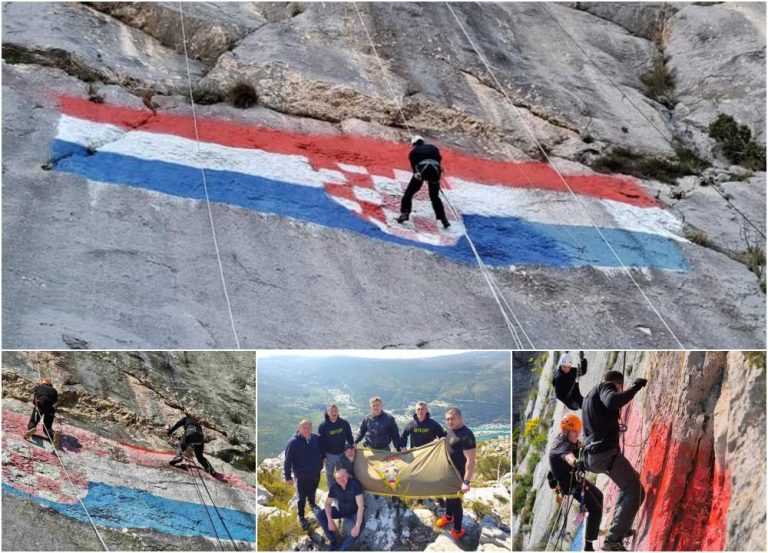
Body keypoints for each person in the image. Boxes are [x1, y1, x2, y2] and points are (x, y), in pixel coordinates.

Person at [582, 371, 648, 551]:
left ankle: (621, 527)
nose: (618, 390)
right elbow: (612, 401)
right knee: (636, 491)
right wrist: (634, 387)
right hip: (604, 453)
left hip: (594, 455)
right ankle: (613, 540)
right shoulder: (606, 387)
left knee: (627, 484)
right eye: (619, 387)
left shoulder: (588, 398)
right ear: (617, 384)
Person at [548, 414, 603, 552]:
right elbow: (568, 456)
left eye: (578, 432)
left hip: (575, 479)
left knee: (600, 497)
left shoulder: (566, 438)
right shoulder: (559, 447)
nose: (577, 435)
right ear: (566, 431)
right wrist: (576, 462)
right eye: (574, 432)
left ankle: (593, 528)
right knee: (596, 510)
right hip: (571, 485)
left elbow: (576, 446)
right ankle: (588, 547)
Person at [435, 407, 476, 542]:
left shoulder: (467, 435)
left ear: (460, 418)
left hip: (459, 476)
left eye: (453, 418)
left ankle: (458, 530)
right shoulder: (452, 431)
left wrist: (466, 482)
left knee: (456, 502)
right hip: (449, 473)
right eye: (448, 419)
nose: (450, 421)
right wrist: (442, 440)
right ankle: (448, 516)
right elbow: (451, 443)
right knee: (449, 496)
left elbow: (470, 460)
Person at [395, 135, 450, 228]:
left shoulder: (413, 152)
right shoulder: (434, 148)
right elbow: (439, 160)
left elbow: (414, 168)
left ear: (414, 144)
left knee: (409, 193)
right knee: (434, 197)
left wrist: (417, 174)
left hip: (422, 171)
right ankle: (443, 219)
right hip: (435, 172)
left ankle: (405, 213)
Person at [284, 419, 324, 530]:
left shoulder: (315, 438)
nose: (307, 430)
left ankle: (312, 504)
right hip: (301, 476)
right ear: (299, 428)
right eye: (304, 428)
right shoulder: (293, 442)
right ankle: (301, 516)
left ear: (311, 428)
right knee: (301, 497)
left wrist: (323, 459)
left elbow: (323, 449)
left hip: (315, 473)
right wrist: (288, 476)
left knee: (313, 490)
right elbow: (287, 461)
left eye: (308, 428)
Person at [316, 467, 365, 551]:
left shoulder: (355, 485)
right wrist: (330, 520)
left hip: (354, 512)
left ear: (348, 475)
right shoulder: (334, 487)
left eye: (343, 476)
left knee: (360, 527)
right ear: (335, 478)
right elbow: (328, 504)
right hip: (341, 511)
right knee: (320, 515)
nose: (341, 479)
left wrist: (357, 526)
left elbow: (361, 506)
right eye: (338, 478)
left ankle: (342, 549)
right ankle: (333, 542)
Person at [319, 403, 354, 486]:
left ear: (338, 412)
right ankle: (332, 491)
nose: (334, 413)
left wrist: (351, 447)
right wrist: (323, 456)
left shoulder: (344, 423)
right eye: (331, 411)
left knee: (341, 474)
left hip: (342, 453)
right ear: (328, 413)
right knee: (329, 474)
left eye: (335, 411)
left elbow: (349, 436)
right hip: (329, 454)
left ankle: (340, 488)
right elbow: (321, 442)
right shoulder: (323, 426)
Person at [23, 378, 60, 447]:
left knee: (33, 422)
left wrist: (36, 403)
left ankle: (32, 428)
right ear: (50, 385)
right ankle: (53, 435)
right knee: (47, 427)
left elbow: (35, 399)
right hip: (50, 410)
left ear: (43, 383)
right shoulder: (54, 391)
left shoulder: (39, 387)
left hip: (40, 406)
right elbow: (55, 401)